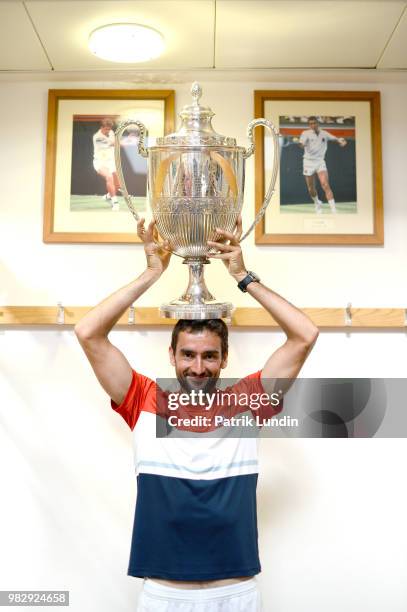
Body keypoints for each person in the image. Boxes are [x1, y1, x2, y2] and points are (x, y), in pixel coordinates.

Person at [74, 216, 319, 611]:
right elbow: (88, 333)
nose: (198, 367)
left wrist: (242, 275)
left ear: (224, 359)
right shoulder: (142, 398)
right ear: (172, 355)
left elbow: (305, 334)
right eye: (188, 354)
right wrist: (152, 272)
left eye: (209, 356)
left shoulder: (248, 402)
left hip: (235, 592)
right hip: (164, 593)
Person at [296, 116, 347, 214]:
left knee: (325, 184)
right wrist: (302, 145)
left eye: (314, 123)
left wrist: (341, 141)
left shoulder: (324, 133)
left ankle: (334, 210)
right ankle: (317, 203)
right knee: (311, 188)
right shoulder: (305, 133)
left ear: (318, 123)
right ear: (309, 125)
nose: (313, 125)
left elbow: (336, 139)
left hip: (320, 162)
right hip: (308, 162)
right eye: (311, 123)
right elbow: (301, 143)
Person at [92, 117, 121, 211]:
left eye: (109, 129)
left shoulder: (111, 132)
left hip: (111, 162)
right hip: (100, 162)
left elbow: (115, 142)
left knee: (118, 184)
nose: (108, 131)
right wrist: (128, 140)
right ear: (101, 127)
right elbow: (114, 144)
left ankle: (108, 196)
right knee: (109, 177)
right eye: (106, 129)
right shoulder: (97, 137)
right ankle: (115, 202)